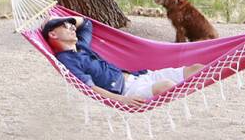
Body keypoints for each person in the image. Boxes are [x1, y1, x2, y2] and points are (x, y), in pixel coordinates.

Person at [41, 15, 203, 101]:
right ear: (53, 34)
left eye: (71, 25)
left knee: (196, 68)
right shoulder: (66, 60)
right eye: (66, 26)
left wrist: (61, 19)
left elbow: (86, 24)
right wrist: (121, 100)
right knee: (167, 86)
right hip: (127, 91)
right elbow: (89, 87)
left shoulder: (81, 45)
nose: (72, 28)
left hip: (139, 76)